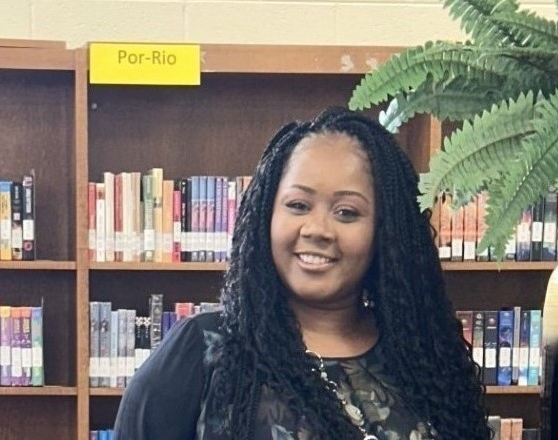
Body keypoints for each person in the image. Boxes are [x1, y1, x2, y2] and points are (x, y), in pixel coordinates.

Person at [113, 107, 490, 439]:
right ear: (266, 215)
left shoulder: (422, 357)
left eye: (347, 212)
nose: (317, 229)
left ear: (385, 232)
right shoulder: (204, 351)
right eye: (298, 205)